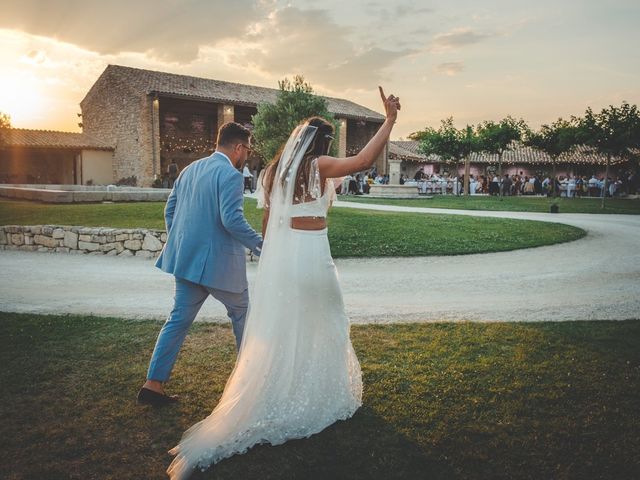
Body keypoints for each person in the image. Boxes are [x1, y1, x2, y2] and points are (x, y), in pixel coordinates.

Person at [166, 87, 401, 479]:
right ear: (321, 143)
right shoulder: (318, 166)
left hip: (285, 257)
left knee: (286, 326)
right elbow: (362, 160)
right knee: (326, 321)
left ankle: (284, 388)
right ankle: (317, 394)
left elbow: (266, 221)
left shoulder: (273, 173)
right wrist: (390, 120)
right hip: (312, 256)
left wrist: (270, 257)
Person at [137, 122, 263, 407]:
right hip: (219, 266)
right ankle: (249, 385)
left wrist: (185, 240)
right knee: (243, 314)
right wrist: (261, 245)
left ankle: (153, 384)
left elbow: (169, 210)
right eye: (247, 149)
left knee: (178, 320)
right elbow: (232, 220)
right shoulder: (230, 175)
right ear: (239, 148)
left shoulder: (189, 170)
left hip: (187, 262)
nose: (246, 155)